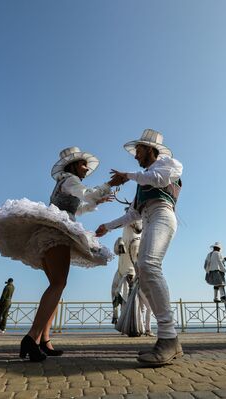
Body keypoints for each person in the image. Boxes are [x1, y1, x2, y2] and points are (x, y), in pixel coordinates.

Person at [0, 146, 113, 362]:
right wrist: (110, 185)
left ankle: (44, 340)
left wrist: (96, 201)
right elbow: (86, 194)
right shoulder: (70, 180)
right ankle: (31, 338)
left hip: (49, 233)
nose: (86, 168)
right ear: (74, 165)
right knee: (58, 284)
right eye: (83, 164)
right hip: (56, 234)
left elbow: (76, 208)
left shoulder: (64, 182)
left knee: (56, 285)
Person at [96, 128, 183, 366]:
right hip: (148, 218)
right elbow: (133, 213)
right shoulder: (141, 178)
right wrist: (108, 226)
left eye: (138, 150)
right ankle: (168, 338)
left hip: (163, 216)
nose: (135, 156)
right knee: (144, 274)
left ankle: (168, 337)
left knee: (148, 264)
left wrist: (127, 175)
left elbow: (159, 180)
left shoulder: (170, 165)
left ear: (149, 150)